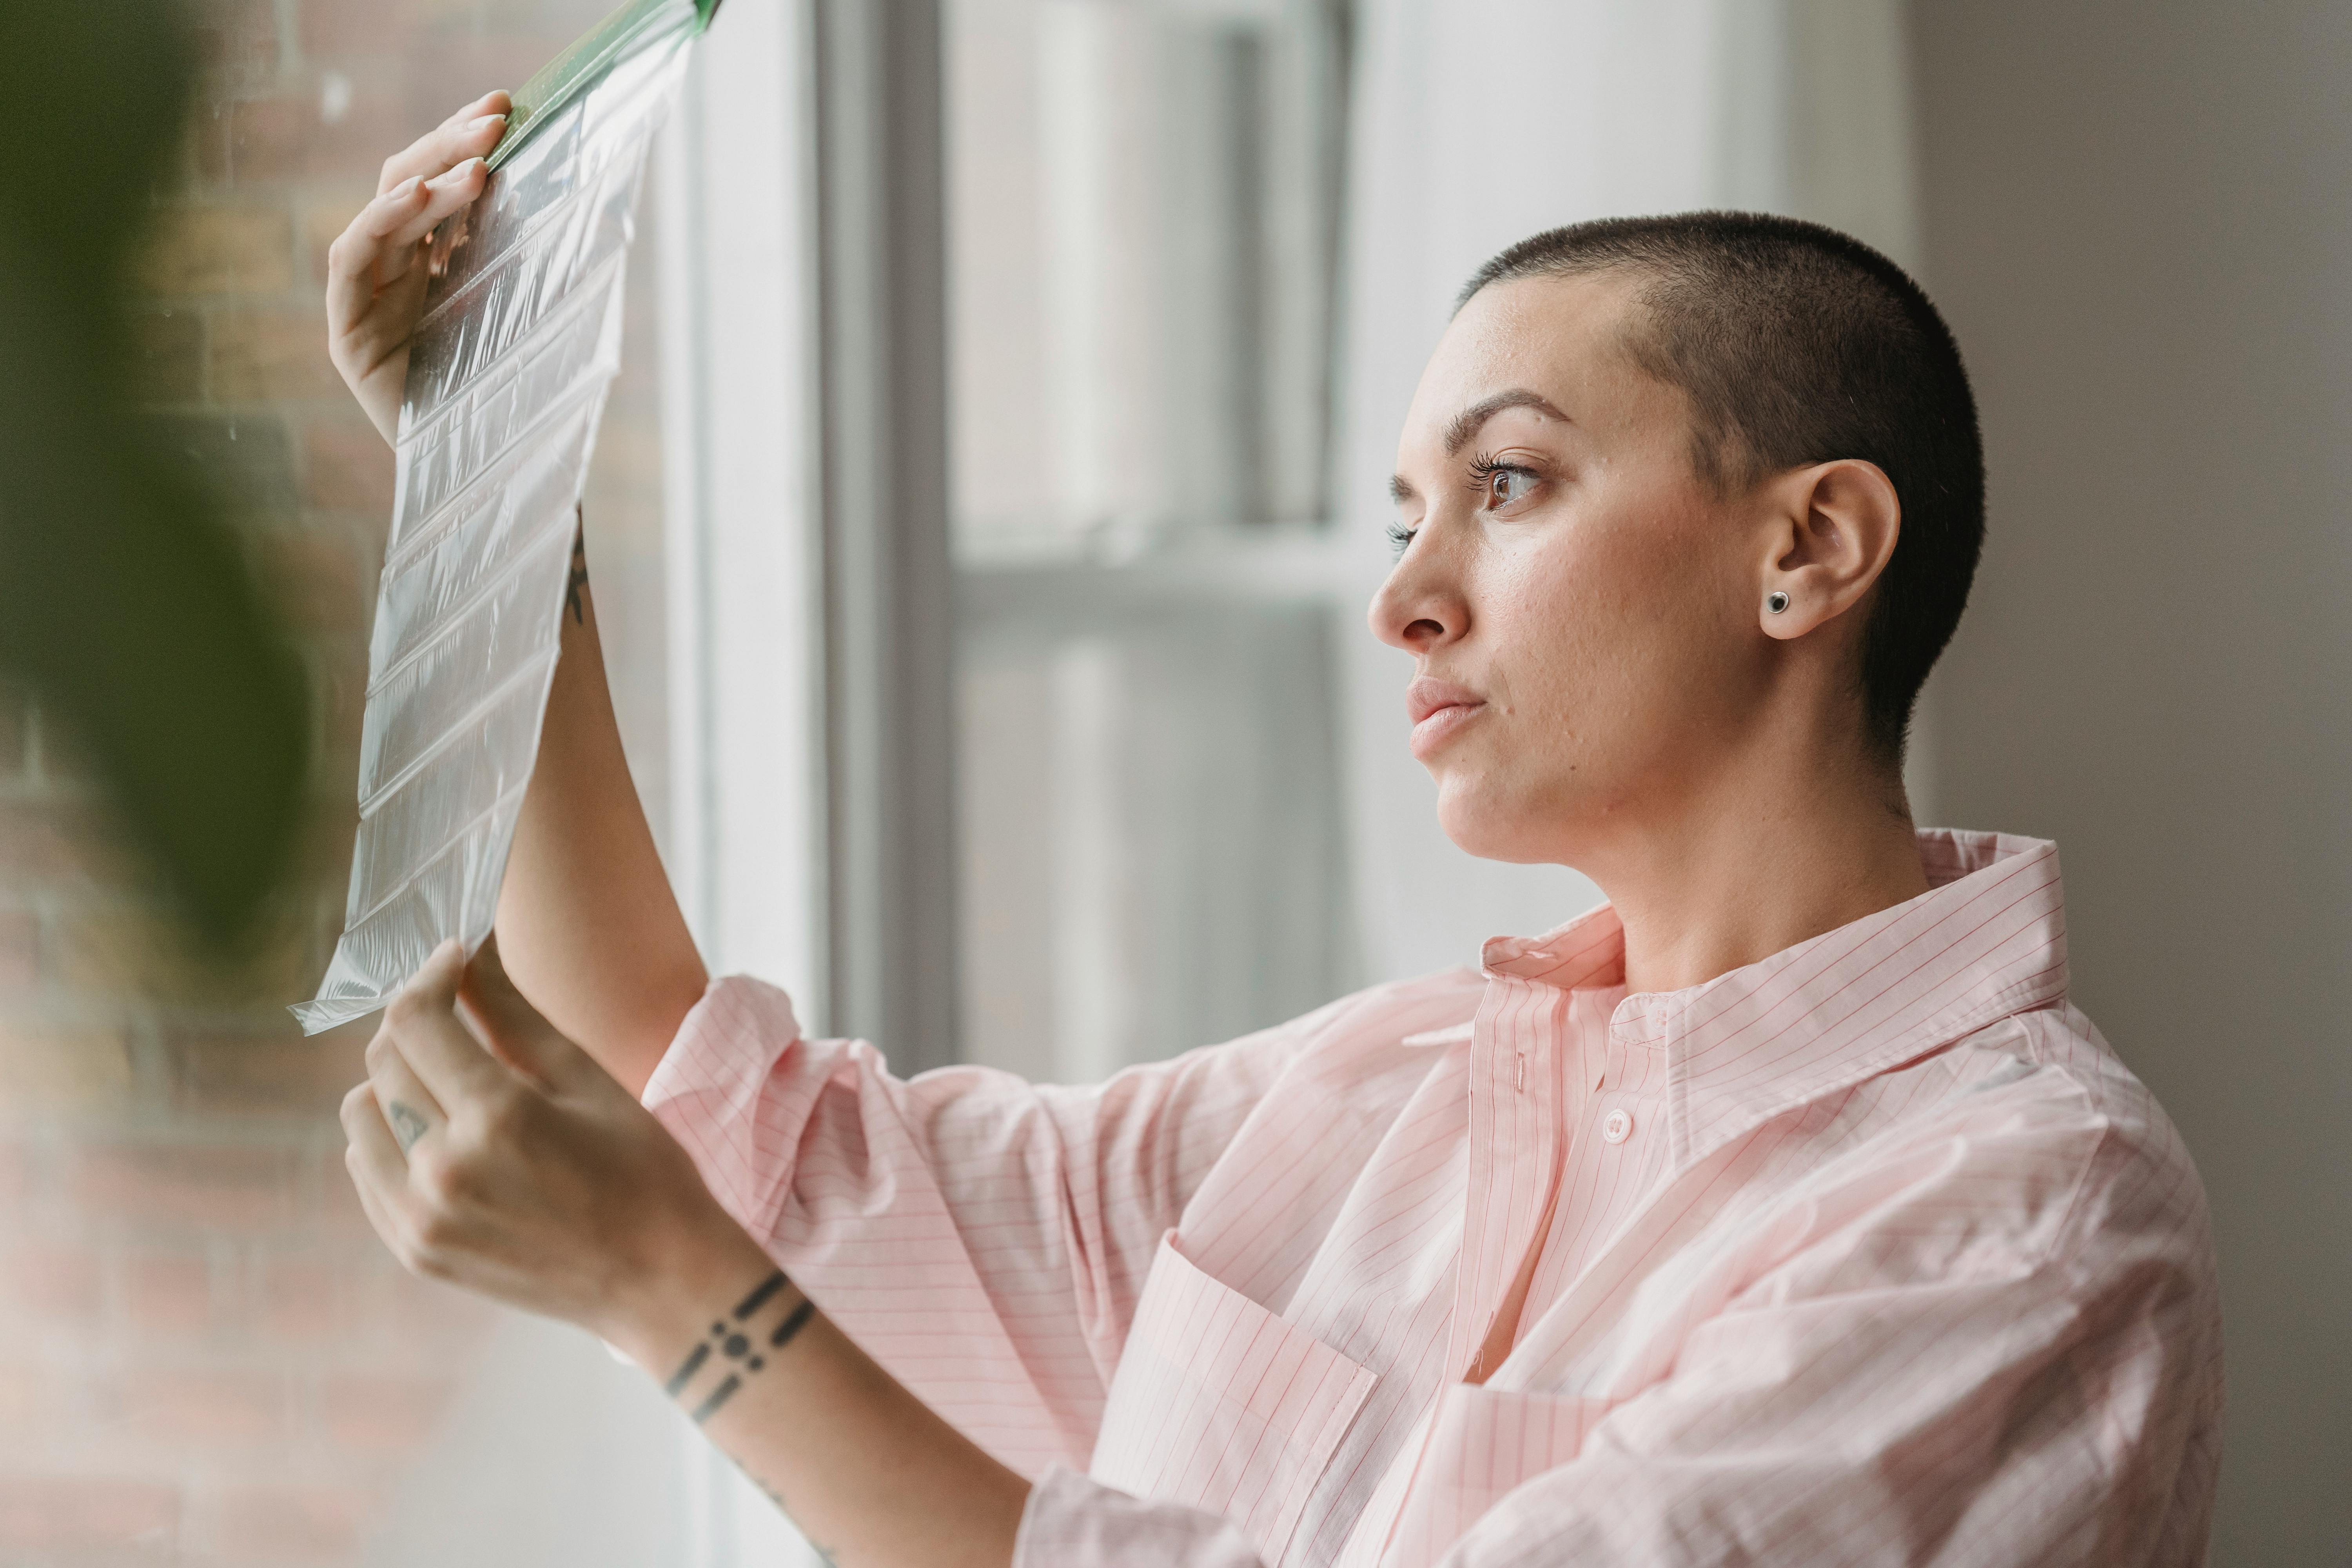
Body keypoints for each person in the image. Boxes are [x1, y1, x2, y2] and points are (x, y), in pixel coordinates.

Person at [326, 94, 2223, 1568]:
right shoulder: (1377, 1097)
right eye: (1406, 511)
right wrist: (485, 475)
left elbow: (706, 1244)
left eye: (1507, 481)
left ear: (1807, 549)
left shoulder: (2023, 1222)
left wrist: (679, 1296)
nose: (1406, 598)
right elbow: (739, 1147)